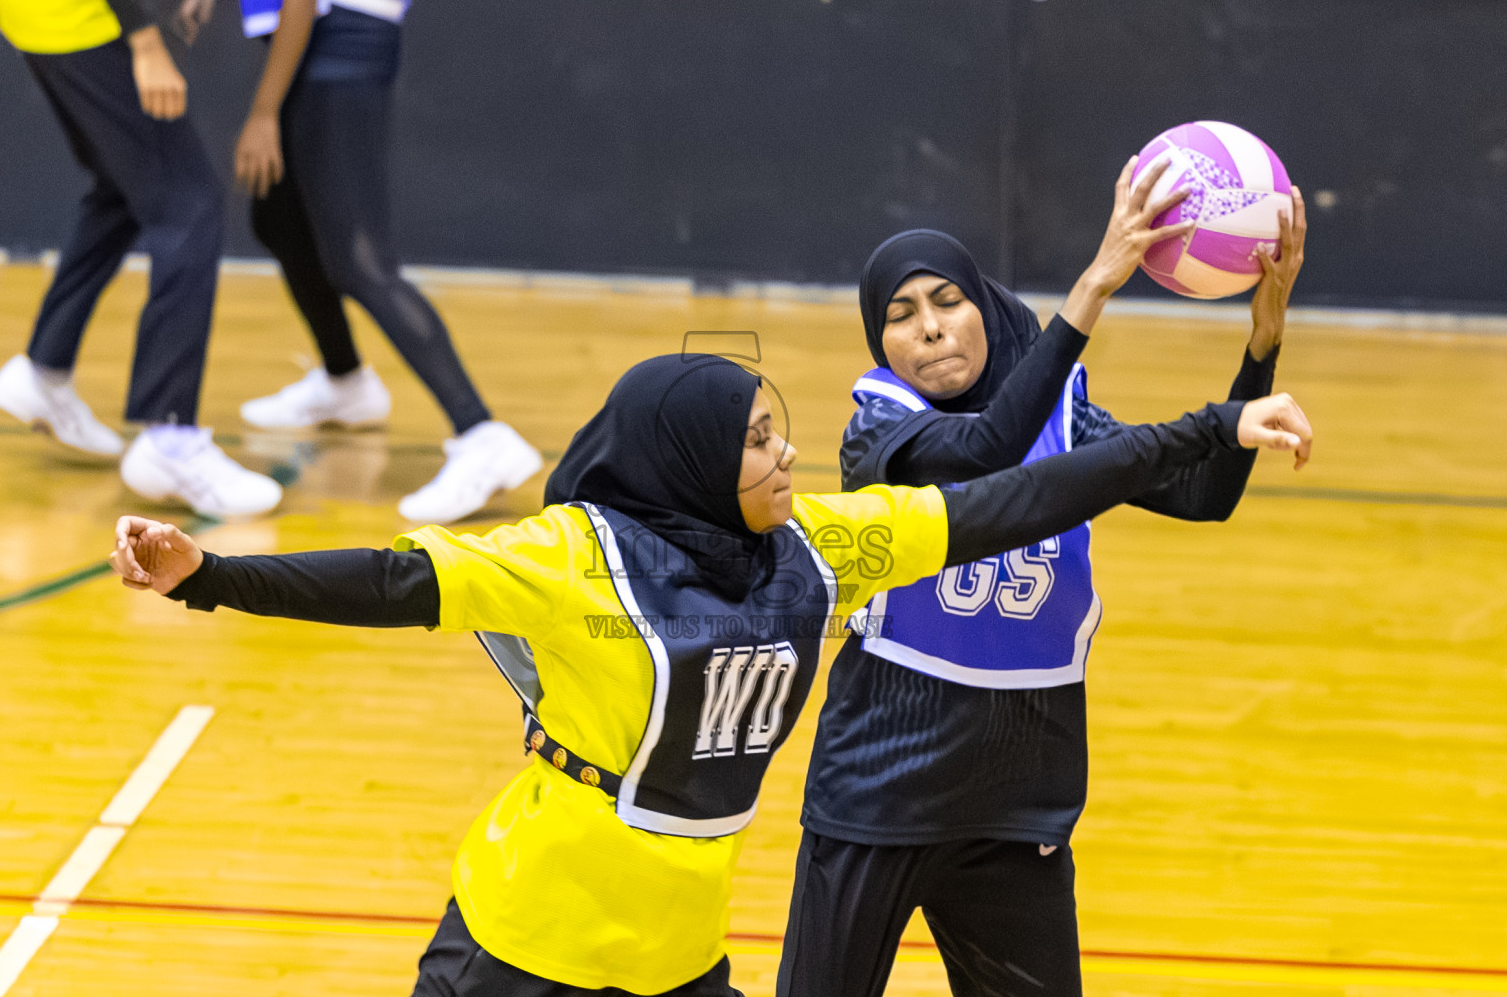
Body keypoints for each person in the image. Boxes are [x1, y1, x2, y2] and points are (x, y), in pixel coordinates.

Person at [109, 350, 1311, 996]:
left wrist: (1211, 429)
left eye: (778, 430)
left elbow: (1015, 500)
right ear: (687, 459)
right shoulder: (573, 556)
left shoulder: (823, 546)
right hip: (520, 945)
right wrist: (207, 574)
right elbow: (384, 582)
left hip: (676, 957)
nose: (786, 454)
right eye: (755, 439)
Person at [776, 163, 1308, 997]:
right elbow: (984, 449)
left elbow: (1204, 496)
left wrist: (1262, 346)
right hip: (880, 791)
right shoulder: (880, 434)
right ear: (880, 343)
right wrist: (1095, 286)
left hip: (1015, 804)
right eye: (900, 315)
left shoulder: (1066, 418)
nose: (930, 329)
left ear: (985, 310)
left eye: (947, 301)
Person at [173, 0, 540, 523]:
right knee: (280, 219)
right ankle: (345, 383)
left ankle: (482, 436)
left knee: (360, 261)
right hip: (318, 38)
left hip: (338, 40)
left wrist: (264, 114)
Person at [0, 0, 283, 517]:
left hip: (35, 10)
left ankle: (44, 369)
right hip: (84, 16)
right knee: (189, 205)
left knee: (121, 187)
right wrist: (145, 43)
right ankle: (169, 436)